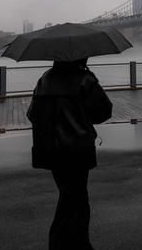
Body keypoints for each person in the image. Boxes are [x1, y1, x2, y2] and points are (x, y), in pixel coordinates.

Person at [27, 58, 113, 250]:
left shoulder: (45, 79)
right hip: (77, 149)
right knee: (76, 198)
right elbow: (104, 112)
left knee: (70, 195)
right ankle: (67, 243)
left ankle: (76, 243)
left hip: (50, 150)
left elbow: (32, 114)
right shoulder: (84, 79)